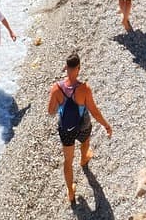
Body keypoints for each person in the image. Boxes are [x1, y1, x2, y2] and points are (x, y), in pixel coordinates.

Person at [47, 53, 112, 207]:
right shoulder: (85, 89)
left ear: (66, 68)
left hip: (66, 130)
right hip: (83, 126)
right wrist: (106, 125)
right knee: (85, 143)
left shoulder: (56, 89)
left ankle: (70, 191)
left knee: (68, 161)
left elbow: (50, 111)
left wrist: (61, 104)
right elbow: (94, 112)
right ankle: (84, 159)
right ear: (78, 68)